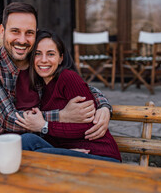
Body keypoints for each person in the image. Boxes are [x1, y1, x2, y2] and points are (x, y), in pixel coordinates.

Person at [0, 2, 112, 146]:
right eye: (15, 31)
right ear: (2, 31)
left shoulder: (39, 63)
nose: (22, 40)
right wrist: (62, 116)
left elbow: (83, 87)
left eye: (29, 33)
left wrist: (104, 106)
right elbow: (9, 119)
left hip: (34, 148)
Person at [15, 30, 121, 162]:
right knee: (26, 140)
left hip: (100, 155)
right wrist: (64, 151)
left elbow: (89, 126)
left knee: (38, 155)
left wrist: (45, 126)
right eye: (37, 54)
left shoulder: (68, 78)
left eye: (50, 54)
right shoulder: (40, 88)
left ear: (61, 58)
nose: (43, 60)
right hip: (73, 153)